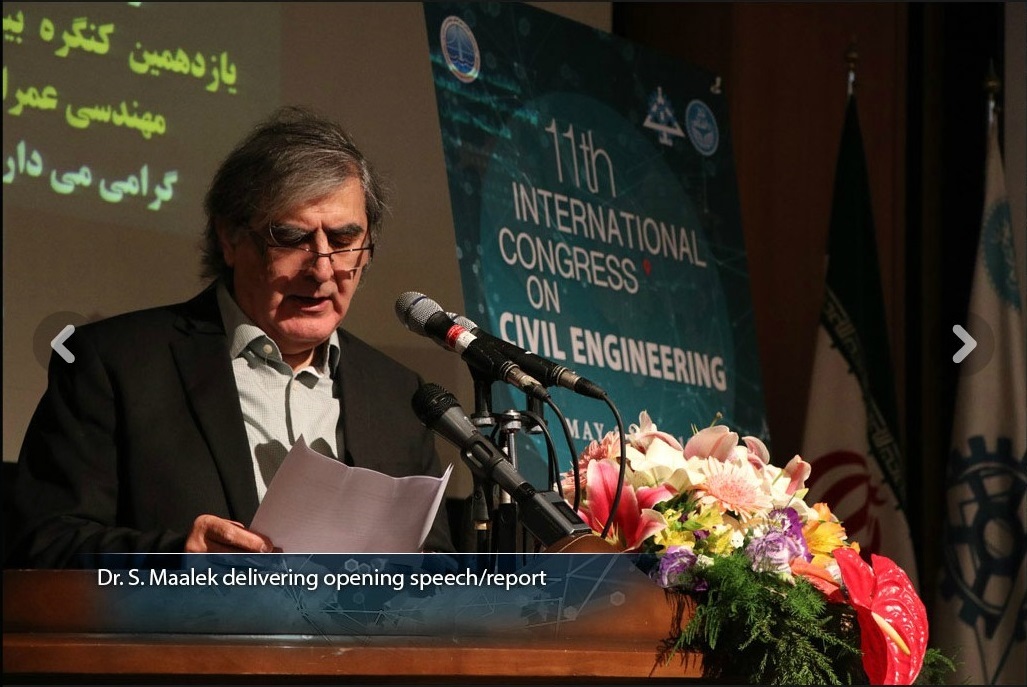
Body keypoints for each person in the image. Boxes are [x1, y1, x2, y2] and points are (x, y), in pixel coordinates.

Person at [7, 106, 453, 567]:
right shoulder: (115, 365)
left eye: (343, 241)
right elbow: (42, 543)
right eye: (292, 238)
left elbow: (436, 564)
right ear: (230, 238)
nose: (323, 269)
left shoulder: (399, 395)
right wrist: (178, 556)